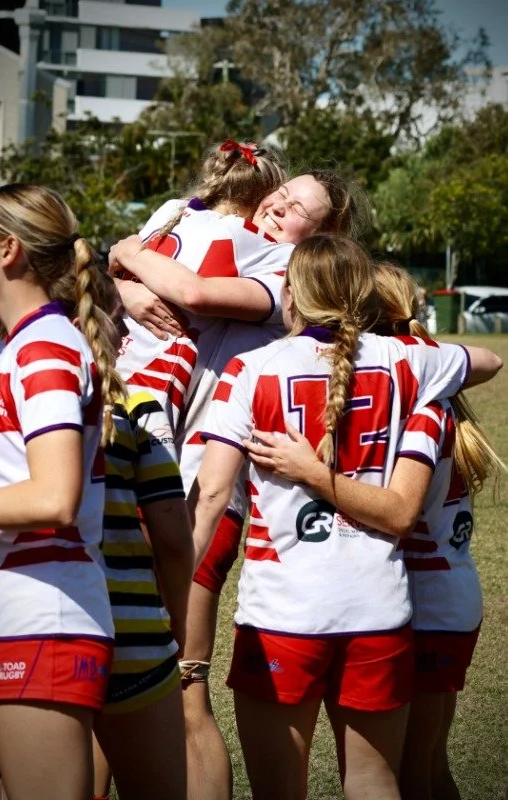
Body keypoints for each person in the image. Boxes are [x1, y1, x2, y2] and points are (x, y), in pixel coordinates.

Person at [188, 234, 502, 800]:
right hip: (380, 609)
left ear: (289, 294)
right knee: (375, 781)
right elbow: (489, 360)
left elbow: (211, 494)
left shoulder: (250, 367)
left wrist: (174, 580)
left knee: (279, 789)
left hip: (283, 611)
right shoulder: (410, 361)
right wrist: (430, 356)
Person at [110, 149, 365, 799]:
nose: (276, 205)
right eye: (279, 196)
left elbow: (190, 291)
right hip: (157, 480)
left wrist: (130, 254)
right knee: (122, 686)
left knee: (183, 691)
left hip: (202, 499)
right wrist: (127, 278)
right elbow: (127, 270)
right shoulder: (230, 235)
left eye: (295, 205)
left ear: (325, 235)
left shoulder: (285, 274)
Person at [0, 183, 123, 800]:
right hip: (6, 617)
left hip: (42, 621)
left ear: (8, 251)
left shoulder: (44, 347)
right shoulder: (14, 347)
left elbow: (54, 497)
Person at [88, 272, 194, 800]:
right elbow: (173, 537)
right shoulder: (139, 408)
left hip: (30, 629)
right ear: (120, 333)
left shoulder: (2, 390)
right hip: (132, 636)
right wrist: (173, 621)